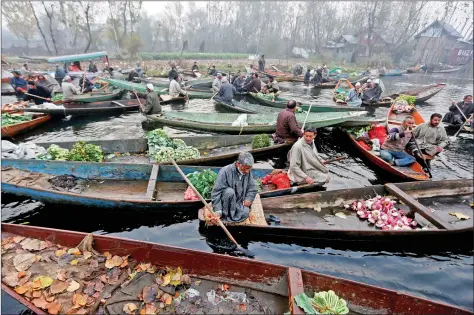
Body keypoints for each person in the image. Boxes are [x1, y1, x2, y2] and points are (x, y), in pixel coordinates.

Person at [209, 152, 258, 223]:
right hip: (225, 204)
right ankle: (224, 214)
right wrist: (218, 211)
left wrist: (248, 199)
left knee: (245, 213)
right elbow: (216, 192)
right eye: (246, 168)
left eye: (249, 169)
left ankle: (232, 216)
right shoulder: (225, 171)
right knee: (229, 192)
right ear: (238, 164)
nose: (247, 171)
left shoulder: (247, 172)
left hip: (239, 203)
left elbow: (252, 188)